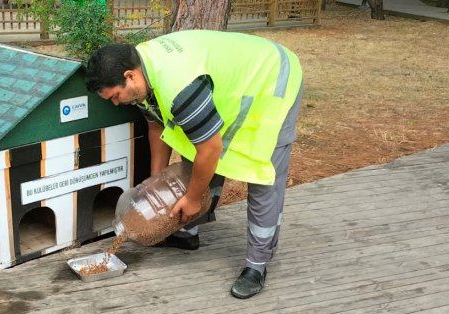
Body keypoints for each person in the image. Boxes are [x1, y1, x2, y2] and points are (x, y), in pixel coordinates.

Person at [85, 30, 303, 299]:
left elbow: (210, 150)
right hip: (231, 88)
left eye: (115, 96)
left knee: (260, 175)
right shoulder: (143, 76)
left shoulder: (179, 86)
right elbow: (157, 128)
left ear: (130, 75)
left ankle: (256, 266)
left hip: (270, 82)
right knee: (194, 158)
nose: (117, 103)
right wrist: (156, 182)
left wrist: (191, 198)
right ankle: (187, 233)